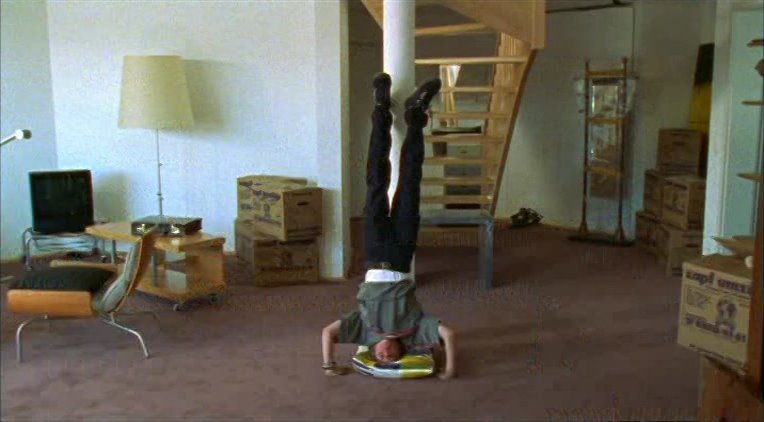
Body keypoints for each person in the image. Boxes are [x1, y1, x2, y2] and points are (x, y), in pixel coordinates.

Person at [320, 73, 456, 380]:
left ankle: (381, 109)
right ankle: (415, 113)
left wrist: (330, 366)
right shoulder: (415, 332)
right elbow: (449, 335)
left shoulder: (364, 331)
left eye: (379, 359)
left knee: (376, 180)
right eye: (392, 359)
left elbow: (328, 333)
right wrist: (448, 369)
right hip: (401, 254)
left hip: (374, 252)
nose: (384, 356)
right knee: (410, 181)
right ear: (402, 352)